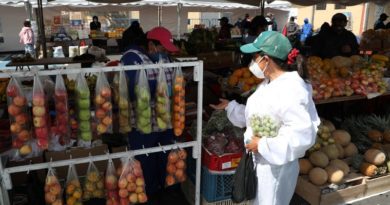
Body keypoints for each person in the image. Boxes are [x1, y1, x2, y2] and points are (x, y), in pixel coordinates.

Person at [211, 31, 320, 205]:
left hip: (275, 169)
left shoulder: (291, 89)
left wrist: (262, 145)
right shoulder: (270, 83)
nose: (253, 62)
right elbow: (259, 116)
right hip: (261, 163)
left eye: (255, 57)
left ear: (266, 59)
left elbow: (301, 135)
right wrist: (231, 107)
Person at [121, 26, 178, 196]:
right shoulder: (131, 57)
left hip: (165, 121)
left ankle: (167, 192)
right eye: (162, 47)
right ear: (151, 44)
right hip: (143, 124)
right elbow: (130, 92)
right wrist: (155, 89)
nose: (164, 52)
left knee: (166, 158)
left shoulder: (164, 58)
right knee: (145, 162)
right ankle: (150, 194)